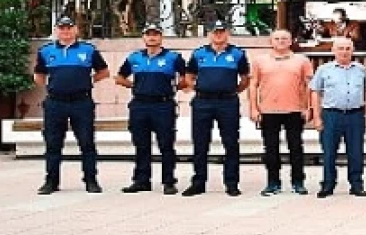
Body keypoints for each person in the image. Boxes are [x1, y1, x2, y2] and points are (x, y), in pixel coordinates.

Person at [34, 16, 110, 195]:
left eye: (69, 28)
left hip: (81, 102)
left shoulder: (88, 50)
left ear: (75, 30)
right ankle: (51, 182)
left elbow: (104, 72)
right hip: (55, 103)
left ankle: (91, 180)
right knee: (53, 143)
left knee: (86, 142)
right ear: (56, 30)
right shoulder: (46, 51)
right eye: (62, 28)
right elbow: (39, 76)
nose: (65, 31)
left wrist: (86, 82)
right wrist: (53, 88)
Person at [114, 23, 184, 195]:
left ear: (161, 37)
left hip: (163, 105)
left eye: (155, 34)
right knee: (141, 144)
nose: (152, 37)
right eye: (148, 34)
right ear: (143, 37)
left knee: (166, 144)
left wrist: (174, 88)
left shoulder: (173, 57)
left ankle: (168, 181)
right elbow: (119, 77)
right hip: (140, 105)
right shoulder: (134, 58)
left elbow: (186, 78)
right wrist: (136, 86)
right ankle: (141, 180)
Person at [183, 21, 250, 197]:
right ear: (209, 34)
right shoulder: (199, 53)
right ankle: (198, 182)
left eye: (221, 31)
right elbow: (189, 76)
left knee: (231, 143)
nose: (218, 35)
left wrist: (232, 91)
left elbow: (244, 79)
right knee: (200, 143)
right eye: (215, 32)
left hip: (227, 102)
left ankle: (231, 183)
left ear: (227, 33)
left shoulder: (238, 53)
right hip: (202, 102)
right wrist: (196, 88)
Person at [250, 29, 314, 196]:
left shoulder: (302, 61)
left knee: (296, 147)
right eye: (277, 38)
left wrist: (308, 108)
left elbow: (309, 86)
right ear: (271, 42)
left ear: (291, 41)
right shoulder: (259, 61)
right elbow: (253, 85)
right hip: (268, 110)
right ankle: (273, 182)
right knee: (270, 148)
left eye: (284, 38)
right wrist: (253, 107)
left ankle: (298, 182)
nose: (281, 41)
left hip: (294, 110)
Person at [310, 37, 366, 198]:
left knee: (356, 151)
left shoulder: (361, 70)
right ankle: (328, 184)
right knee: (329, 151)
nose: (344, 52)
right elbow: (315, 92)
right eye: (340, 48)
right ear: (333, 51)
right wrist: (316, 117)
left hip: (355, 115)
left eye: (347, 48)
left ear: (353, 50)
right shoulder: (324, 70)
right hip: (331, 115)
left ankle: (356, 184)